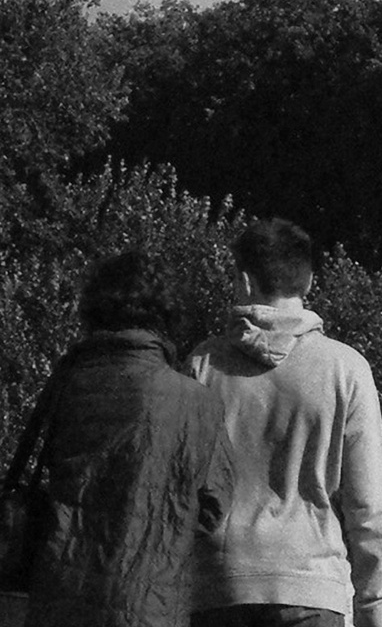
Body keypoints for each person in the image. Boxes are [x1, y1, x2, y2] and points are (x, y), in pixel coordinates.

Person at [189, 219, 382, 627]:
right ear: (310, 281)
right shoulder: (346, 369)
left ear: (244, 282)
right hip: (313, 588)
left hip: (220, 588)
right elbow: (368, 508)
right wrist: (373, 608)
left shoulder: (203, 364)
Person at [26, 251, 231, 627]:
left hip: (60, 599)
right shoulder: (195, 401)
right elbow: (214, 506)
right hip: (150, 603)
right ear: (167, 316)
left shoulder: (68, 383)